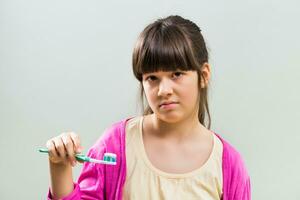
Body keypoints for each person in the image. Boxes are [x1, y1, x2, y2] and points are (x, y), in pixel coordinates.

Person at [45, 15, 251, 200]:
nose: (163, 90)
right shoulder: (115, 146)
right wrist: (60, 167)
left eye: (176, 74)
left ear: (204, 75)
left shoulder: (228, 166)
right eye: (152, 78)